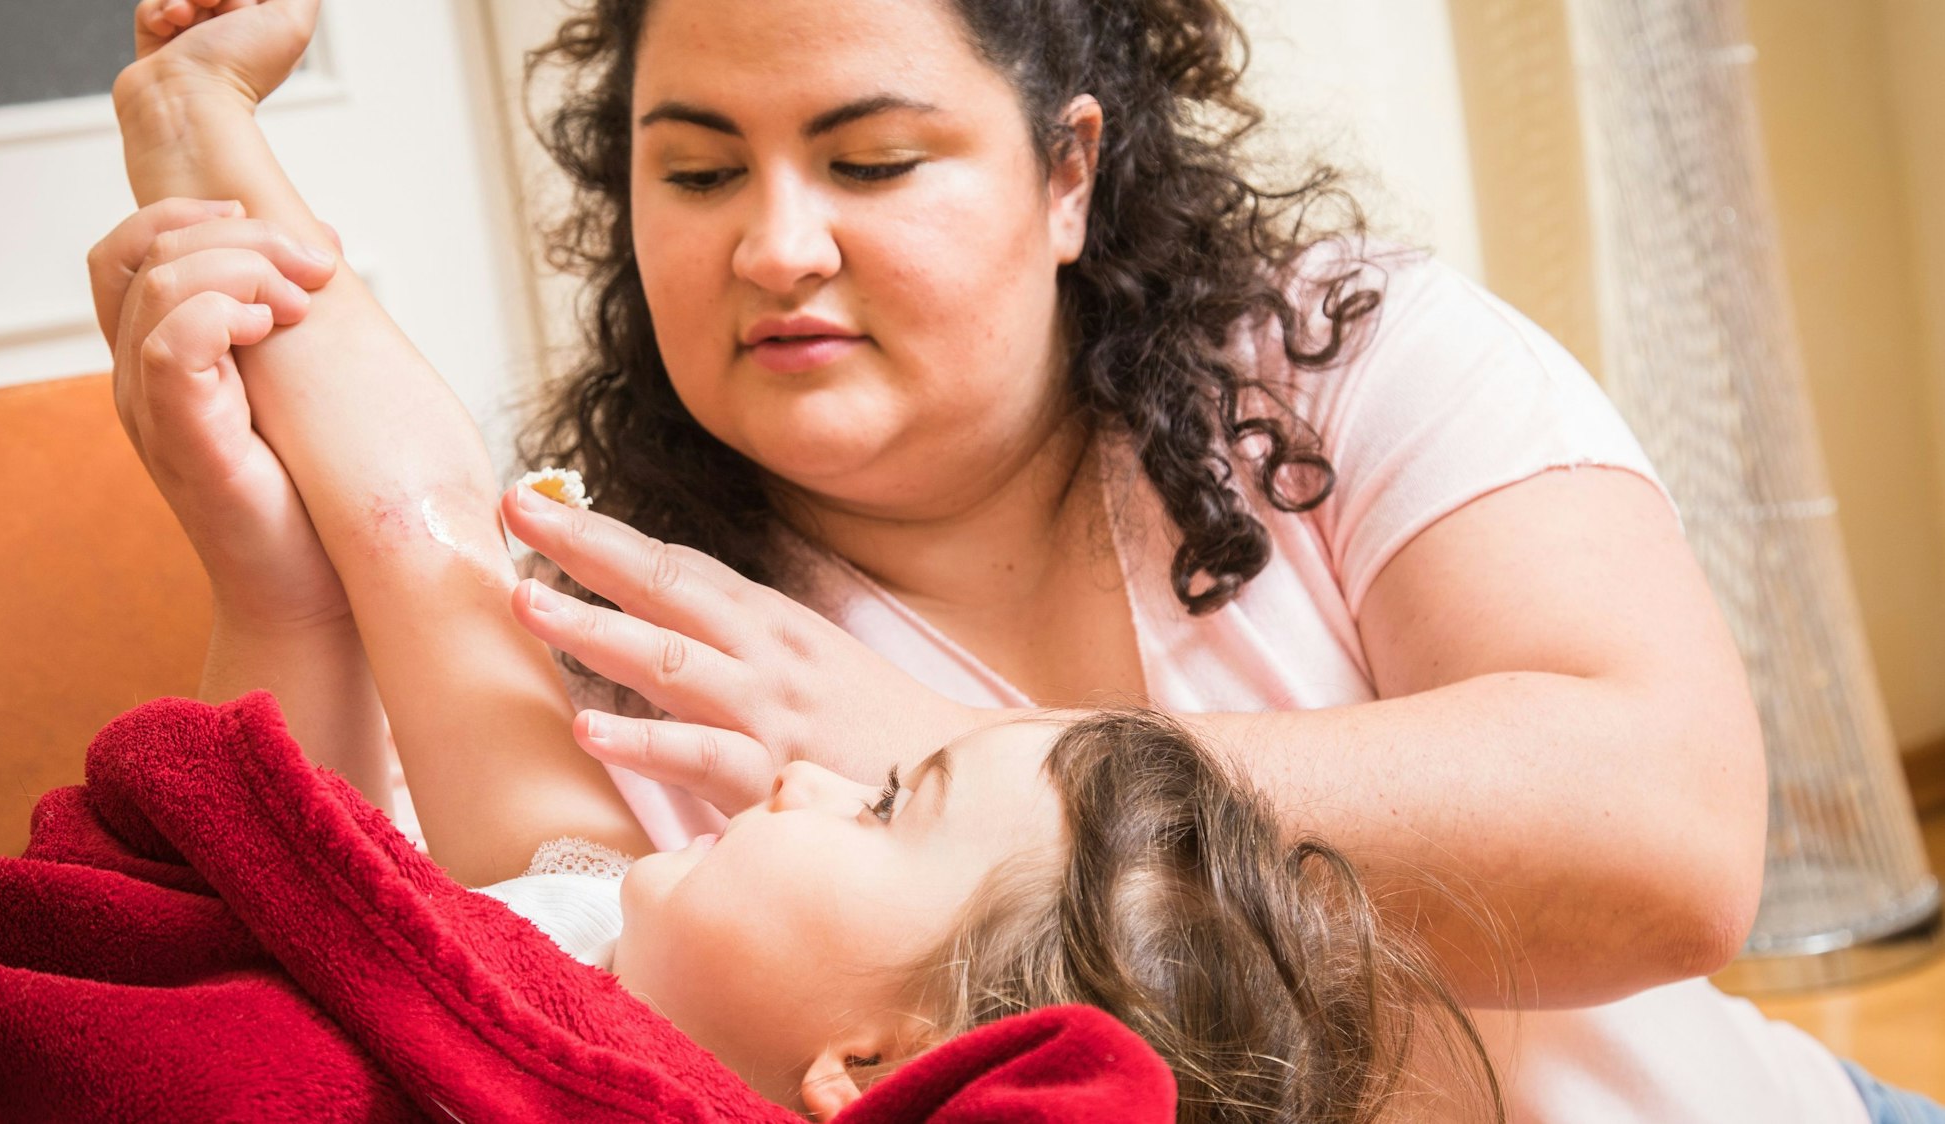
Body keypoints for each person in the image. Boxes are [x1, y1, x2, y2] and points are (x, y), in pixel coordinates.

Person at [97, 0, 1943, 1120]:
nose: (777, 247)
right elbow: (400, 562)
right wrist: (202, 157)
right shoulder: (626, 627)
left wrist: (961, 749)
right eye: (697, 170)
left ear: (1067, 174)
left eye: (874, 160)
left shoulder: (1329, 360)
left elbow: (1669, 845)